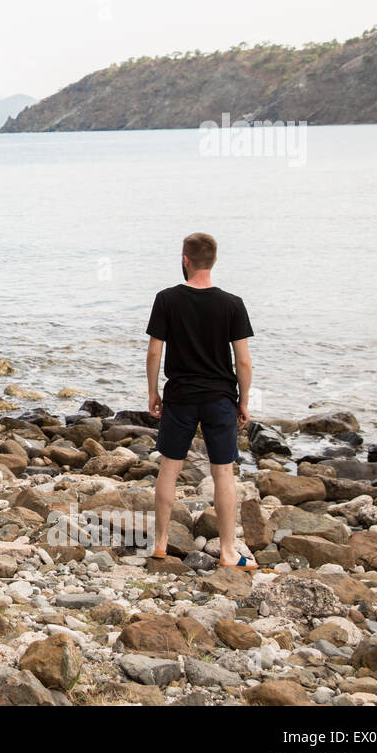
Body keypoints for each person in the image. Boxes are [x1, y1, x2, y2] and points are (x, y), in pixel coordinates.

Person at [145, 232, 256, 569]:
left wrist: (153, 391)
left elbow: (154, 351)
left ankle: (161, 543)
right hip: (220, 397)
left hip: (180, 396)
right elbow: (244, 361)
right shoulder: (232, 303)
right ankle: (226, 551)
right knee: (223, 473)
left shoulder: (166, 299)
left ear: (185, 260)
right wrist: (244, 400)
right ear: (214, 261)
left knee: (169, 468)